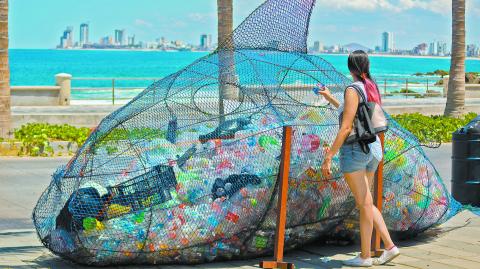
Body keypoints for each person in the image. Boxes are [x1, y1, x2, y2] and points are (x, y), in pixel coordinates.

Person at [318, 50, 400, 267]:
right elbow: (356, 115)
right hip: (373, 149)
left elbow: (347, 126)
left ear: (349, 67)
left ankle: (372, 254)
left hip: (355, 151)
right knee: (366, 204)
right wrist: (330, 98)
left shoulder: (352, 89)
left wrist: (329, 155)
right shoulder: (370, 86)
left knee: (364, 204)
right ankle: (379, 250)